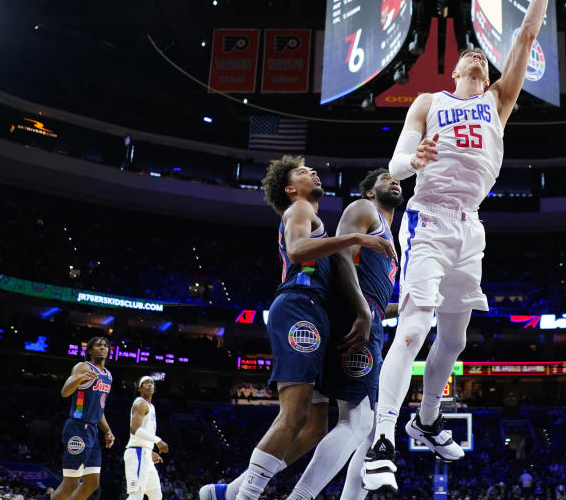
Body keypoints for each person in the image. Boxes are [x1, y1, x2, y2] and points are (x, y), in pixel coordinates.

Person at [363, 0, 566, 491]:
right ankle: (383, 437)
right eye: (470, 55)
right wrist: (417, 158)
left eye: (482, 55)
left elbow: (526, 37)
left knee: (454, 342)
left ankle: (428, 418)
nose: (477, 57)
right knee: (413, 327)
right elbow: (394, 170)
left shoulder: (498, 102)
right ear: (456, 70)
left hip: (471, 226)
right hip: (429, 220)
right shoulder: (429, 103)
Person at [201, 156, 395, 500]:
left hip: (315, 310)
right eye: (304, 172)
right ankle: (247, 496)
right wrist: (358, 240)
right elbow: (297, 250)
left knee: (314, 427)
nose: (314, 173)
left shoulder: (313, 216)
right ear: (291, 189)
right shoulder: (301, 209)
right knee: (296, 413)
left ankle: (229, 491)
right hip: (298, 306)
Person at [283, 168, 403, 500]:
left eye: (396, 180)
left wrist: (406, 309)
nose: (394, 182)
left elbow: (376, 299)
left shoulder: (390, 240)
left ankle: (232, 489)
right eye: (384, 179)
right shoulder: (365, 211)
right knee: (359, 421)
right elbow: (340, 256)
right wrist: (363, 312)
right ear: (370, 192)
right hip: (354, 318)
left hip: (364, 316)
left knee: (366, 431)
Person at [50, 336, 115, 500]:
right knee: (71, 482)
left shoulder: (108, 376)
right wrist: (79, 378)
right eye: (98, 346)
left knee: (92, 483)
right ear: (90, 351)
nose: (103, 348)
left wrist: (107, 430)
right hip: (77, 427)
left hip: (92, 429)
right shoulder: (83, 366)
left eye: (105, 346)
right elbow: (65, 392)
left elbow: (99, 409)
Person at [124, 376, 169, 500]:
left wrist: (149, 450)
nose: (150, 384)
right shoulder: (140, 403)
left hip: (145, 454)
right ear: (139, 388)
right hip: (137, 454)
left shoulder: (151, 406)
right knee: (136, 495)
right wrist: (158, 441)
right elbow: (134, 429)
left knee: (156, 495)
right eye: (146, 383)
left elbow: (144, 431)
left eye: (152, 383)